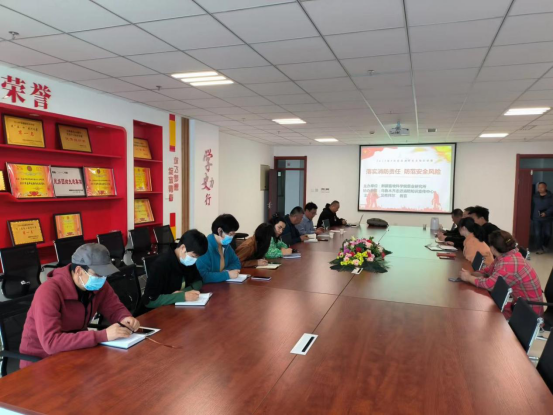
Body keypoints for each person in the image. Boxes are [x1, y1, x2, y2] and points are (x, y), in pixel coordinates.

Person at [19, 244, 140, 368]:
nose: (102, 279)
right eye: (98, 274)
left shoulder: (99, 284)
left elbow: (114, 308)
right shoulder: (48, 292)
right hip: (41, 362)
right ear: (78, 271)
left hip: (75, 352)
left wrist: (125, 318)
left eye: (105, 274)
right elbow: (51, 343)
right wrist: (102, 335)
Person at [459, 230, 543, 319]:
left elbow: (489, 285)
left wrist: (469, 278)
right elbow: (489, 270)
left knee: (480, 315)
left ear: (493, 248)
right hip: (518, 304)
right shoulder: (506, 255)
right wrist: (471, 274)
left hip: (528, 313)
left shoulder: (508, 264)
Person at [139, 230, 208, 312]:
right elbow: (149, 301)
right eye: (193, 256)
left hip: (176, 309)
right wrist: (182, 296)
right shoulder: (160, 265)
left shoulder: (186, 261)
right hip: (155, 312)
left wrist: (184, 292)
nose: (194, 260)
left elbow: (199, 282)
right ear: (183, 248)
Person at [196, 214, 242, 283]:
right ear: (219, 231)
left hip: (222, 284)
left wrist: (225, 272)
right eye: (230, 234)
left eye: (233, 234)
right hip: (208, 287)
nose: (232, 237)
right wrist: (227, 275)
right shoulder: (205, 247)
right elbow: (203, 276)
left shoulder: (226, 246)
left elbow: (237, 263)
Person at [532, 182, 553, 254]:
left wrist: (546, 213)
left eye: (542, 187)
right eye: (539, 187)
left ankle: (544, 245)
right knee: (537, 234)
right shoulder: (535, 196)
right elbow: (532, 206)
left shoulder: (551, 196)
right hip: (536, 218)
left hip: (548, 218)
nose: (540, 189)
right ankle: (539, 248)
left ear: (545, 187)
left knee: (548, 234)